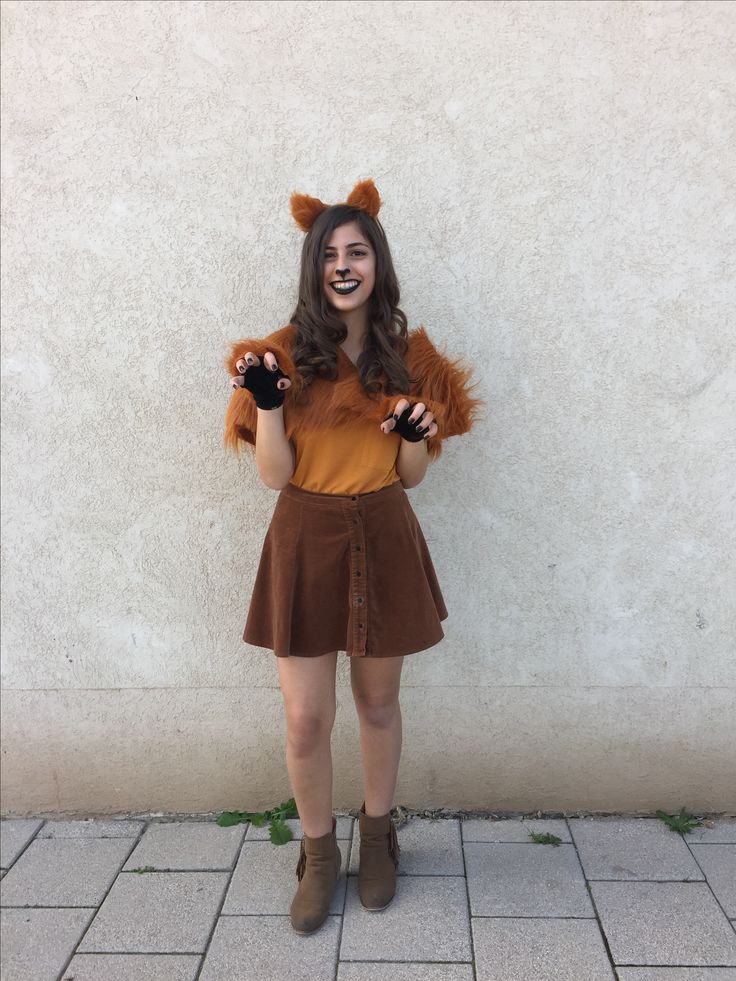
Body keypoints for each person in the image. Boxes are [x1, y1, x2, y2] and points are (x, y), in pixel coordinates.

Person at [223, 178, 483, 935]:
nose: (344, 264)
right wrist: (270, 407)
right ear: (314, 267)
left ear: (378, 264)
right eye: (330, 253)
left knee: (376, 703)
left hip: (384, 527)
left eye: (357, 250)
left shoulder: (412, 358)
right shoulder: (280, 358)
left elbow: (411, 475)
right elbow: (274, 474)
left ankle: (378, 838)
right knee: (306, 717)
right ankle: (319, 853)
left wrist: (408, 436)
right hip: (304, 534)